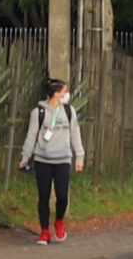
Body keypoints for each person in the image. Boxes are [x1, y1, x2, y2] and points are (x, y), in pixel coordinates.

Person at [18, 78, 84, 245]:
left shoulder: (69, 111)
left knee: (62, 195)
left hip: (63, 159)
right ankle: (44, 231)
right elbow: (31, 136)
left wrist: (79, 156)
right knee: (44, 196)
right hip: (43, 159)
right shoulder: (38, 113)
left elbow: (75, 134)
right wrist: (25, 157)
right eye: (64, 92)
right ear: (56, 93)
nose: (66, 95)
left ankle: (59, 221)